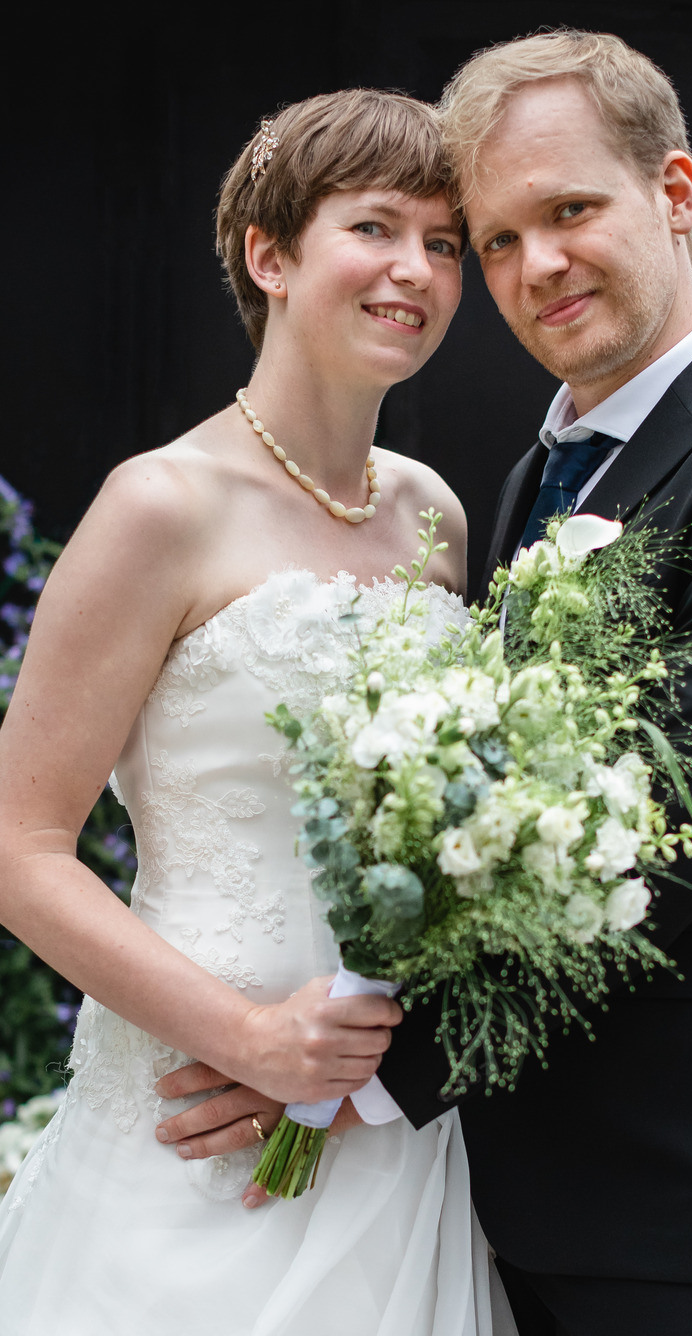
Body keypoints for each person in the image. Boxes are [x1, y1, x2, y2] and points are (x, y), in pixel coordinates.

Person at [370, 30, 692, 1336]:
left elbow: (653, 849)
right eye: (492, 240)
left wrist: (350, 1080)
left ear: (673, 192)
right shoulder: (539, 471)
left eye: (567, 211)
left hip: (669, 1193)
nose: (532, 266)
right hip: (518, 1171)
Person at [0, 89, 514, 1336]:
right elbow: (19, 849)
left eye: (446, 244)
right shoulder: (160, 506)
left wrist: (354, 1069)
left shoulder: (436, 517)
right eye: (377, 228)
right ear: (270, 255)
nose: (418, 271)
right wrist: (252, 1036)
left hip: (384, 1133)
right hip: (193, 1119)